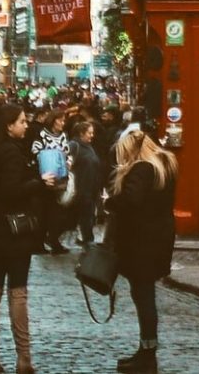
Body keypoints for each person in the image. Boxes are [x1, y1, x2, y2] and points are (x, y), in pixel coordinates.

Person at [0, 104, 54, 374]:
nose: (26, 125)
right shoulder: (11, 153)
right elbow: (12, 191)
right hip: (14, 230)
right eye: (22, 121)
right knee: (18, 292)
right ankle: (24, 358)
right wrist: (39, 183)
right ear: (8, 125)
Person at [107, 129, 178, 374]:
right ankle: (146, 350)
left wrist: (109, 201)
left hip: (141, 242)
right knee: (144, 295)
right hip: (157, 240)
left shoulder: (142, 169)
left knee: (144, 297)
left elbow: (131, 201)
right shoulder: (163, 167)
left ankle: (147, 356)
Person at [29, 108, 72, 254]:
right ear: (53, 120)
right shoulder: (41, 134)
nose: (62, 123)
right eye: (60, 120)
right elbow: (35, 151)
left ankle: (53, 240)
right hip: (45, 178)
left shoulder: (63, 136)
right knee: (42, 211)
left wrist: (68, 161)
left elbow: (67, 152)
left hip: (59, 178)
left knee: (56, 211)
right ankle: (38, 242)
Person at [69, 119, 102, 247]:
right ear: (81, 133)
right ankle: (88, 241)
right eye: (89, 133)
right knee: (85, 216)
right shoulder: (74, 145)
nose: (92, 135)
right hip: (82, 187)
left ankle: (87, 240)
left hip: (91, 187)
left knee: (87, 216)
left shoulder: (88, 146)